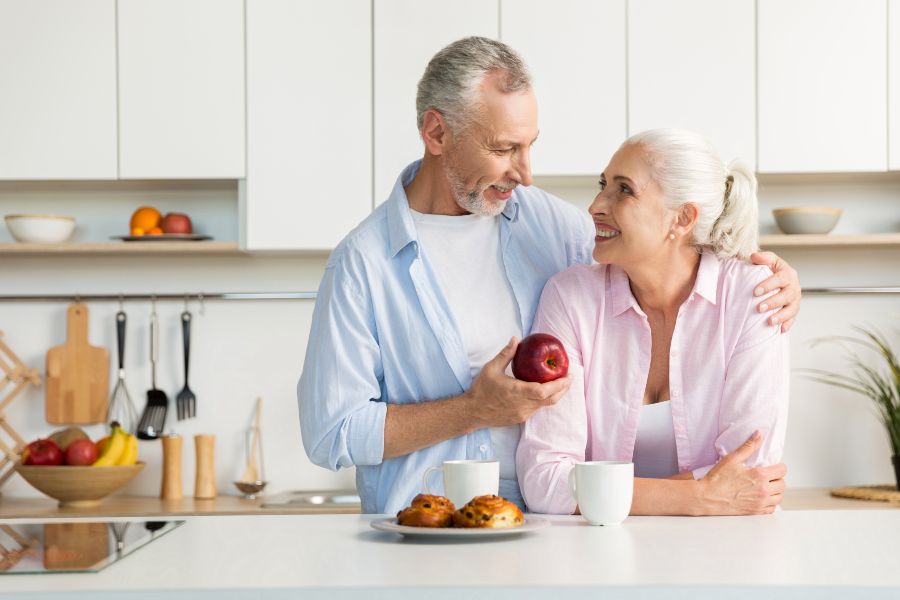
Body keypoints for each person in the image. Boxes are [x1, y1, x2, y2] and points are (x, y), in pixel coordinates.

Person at [297, 37, 800, 515]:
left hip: (547, 534)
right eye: (503, 149)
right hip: (425, 529)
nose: (525, 173)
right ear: (437, 133)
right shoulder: (362, 265)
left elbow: (659, 247)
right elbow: (332, 433)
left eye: (529, 145)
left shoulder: (548, 225)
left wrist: (771, 276)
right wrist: (473, 409)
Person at [517, 129, 789, 516]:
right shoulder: (570, 297)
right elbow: (544, 480)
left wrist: (597, 494)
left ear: (682, 217)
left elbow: (751, 475)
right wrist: (697, 496)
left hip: (727, 549)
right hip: (599, 552)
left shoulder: (753, 296)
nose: (596, 205)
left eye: (624, 190)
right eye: (603, 185)